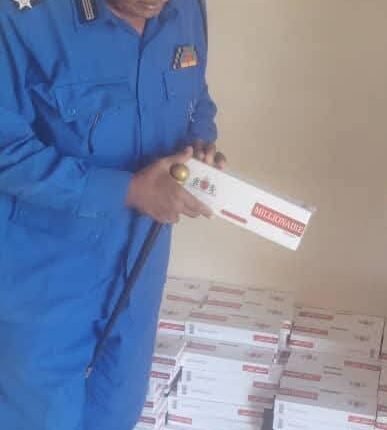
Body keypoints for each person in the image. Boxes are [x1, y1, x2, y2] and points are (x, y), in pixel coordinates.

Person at [0, 1, 225, 429]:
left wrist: (199, 148)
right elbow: (5, 149)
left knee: (117, 415)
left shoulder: (187, 9)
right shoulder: (20, 18)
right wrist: (129, 190)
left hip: (139, 271)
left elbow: (196, 100)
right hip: (43, 282)